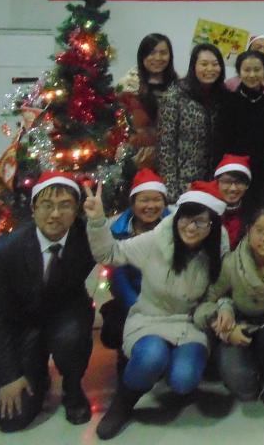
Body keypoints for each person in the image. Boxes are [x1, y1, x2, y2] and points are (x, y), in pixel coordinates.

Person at [86, 180, 226, 440]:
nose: (191, 227)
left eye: (200, 222)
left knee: (184, 379)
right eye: (186, 218)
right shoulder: (158, 239)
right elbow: (110, 254)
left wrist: (216, 312)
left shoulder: (217, 249)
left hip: (191, 324)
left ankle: (174, 371)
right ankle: (123, 403)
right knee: (151, 357)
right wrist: (97, 221)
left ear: (212, 225)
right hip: (150, 318)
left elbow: (221, 292)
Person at [0, 172, 95, 432]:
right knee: (11, 420)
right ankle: (37, 372)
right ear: (33, 209)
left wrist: (99, 220)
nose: (55, 214)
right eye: (46, 205)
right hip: (22, 325)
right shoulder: (3, 252)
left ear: (76, 210)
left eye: (65, 205)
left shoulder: (87, 238)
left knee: (72, 337)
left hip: (65, 314)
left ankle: (72, 387)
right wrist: (9, 375)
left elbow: (123, 246)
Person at [194, 205, 264, 410]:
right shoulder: (231, 264)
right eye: (259, 231)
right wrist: (225, 324)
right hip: (239, 326)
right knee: (245, 390)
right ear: (248, 231)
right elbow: (205, 303)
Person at [100, 169, 171, 355]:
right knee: (117, 330)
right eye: (144, 200)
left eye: (157, 200)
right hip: (132, 301)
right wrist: (140, 309)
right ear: (133, 203)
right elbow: (118, 279)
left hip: (170, 301)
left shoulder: (176, 227)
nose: (151, 206)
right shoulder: (117, 231)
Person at [158, 43, 227, 201]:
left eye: (215, 64)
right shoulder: (175, 95)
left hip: (215, 181)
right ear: (193, 66)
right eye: (204, 64)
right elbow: (165, 145)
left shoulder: (223, 96)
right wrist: (170, 188)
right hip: (184, 182)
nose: (210, 69)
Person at [215, 49, 264, 193]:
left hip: (262, 171)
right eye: (247, 70)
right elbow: (219, 142)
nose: (252, 75)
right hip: (233, 172)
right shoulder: (228, 101)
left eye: (257, 70)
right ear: (239, 72)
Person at [118, 33, 178, 172]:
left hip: (169, 161)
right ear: (142, 56)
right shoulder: (129, 86)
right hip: (134, 160)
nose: (157, 58)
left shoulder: (178, 86)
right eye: (151, 53)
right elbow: (119, 128)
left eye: (163, 53)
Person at [214, 155, 253, 250]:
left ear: (247, 185)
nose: (233, 188)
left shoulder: (253, 215)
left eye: (239, 182)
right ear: (217, 183)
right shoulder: (206, 212)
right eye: (227, 182)